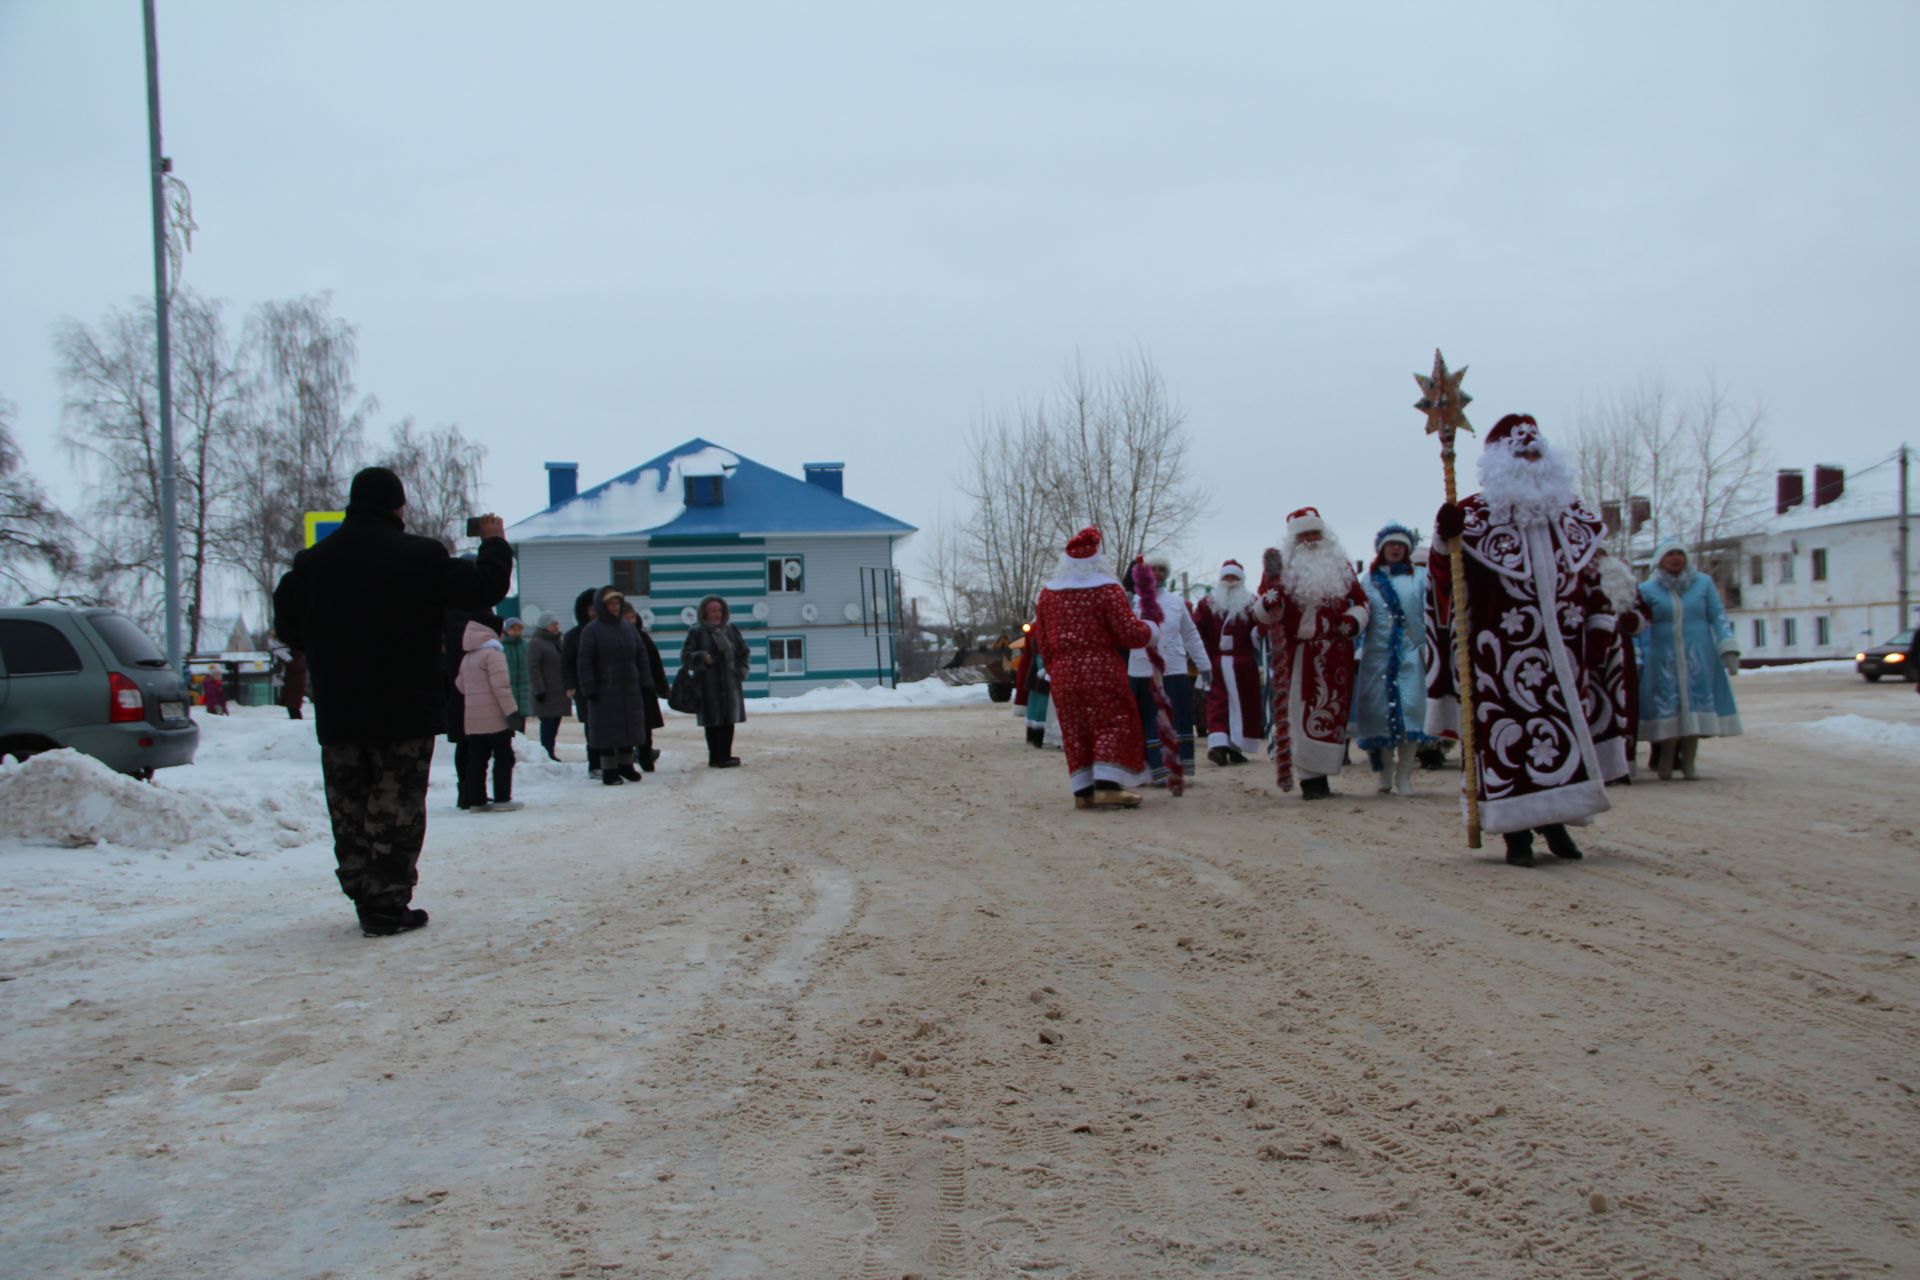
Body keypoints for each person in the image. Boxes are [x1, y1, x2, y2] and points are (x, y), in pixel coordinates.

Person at [272, 465, 511, 936]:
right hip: (405, 707)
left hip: (341, 709)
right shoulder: (419, 556)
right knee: (395, 804)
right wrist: (494, 542)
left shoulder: (312, 563)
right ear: (398, 507)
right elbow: (485, 590)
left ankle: (363, 889)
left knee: (350, 804)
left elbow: (288, 628)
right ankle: (385, 901)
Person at [1427, 414, 1622, 867]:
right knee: (1508, 741)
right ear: (1501, 463)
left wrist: (1598, 629)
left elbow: (1593, 581)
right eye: (1522, 454)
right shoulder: (1474, 515)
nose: (1531, 462)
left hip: (1564, 655)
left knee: (1560, 740)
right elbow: (1445, 582)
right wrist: (1443, 539)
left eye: (1537, 453)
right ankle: (1515, 833)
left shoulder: (1572, 516)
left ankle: (1555, 823)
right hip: (1501, 656)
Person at [1030, 527, 1158, 809]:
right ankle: (1108, 785)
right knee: (1113, 721)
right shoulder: (1107, 589)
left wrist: (1053, 667)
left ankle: (1083, 791)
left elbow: (1043, 639)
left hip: (1063, 672)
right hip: (1101, 668)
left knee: (1075, 729)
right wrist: (1151, 631)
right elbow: (1127, 633)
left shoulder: (1049, 595)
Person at [1249, 507, 1369, 799]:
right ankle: (1310, 781)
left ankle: (1322, 775)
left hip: (1335, 652)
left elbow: (1361, 602)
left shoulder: (1341, 566)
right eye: (1304, 535)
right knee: (1300, 715)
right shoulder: (1279, 569)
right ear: (1294, 539)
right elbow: (1261, 612)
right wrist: (1269, 603)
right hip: (1298, 654)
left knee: (1332, 716)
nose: (1311, 539)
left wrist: (1353, 620)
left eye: (1315, 532)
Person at [1637, 539, 1741, 780]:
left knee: (1695, 706)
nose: (1676, 558)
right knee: (1668, 706)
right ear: (1659, 560)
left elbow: (1717, 616)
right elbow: (1639, 624)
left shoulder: (1703, 583)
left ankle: (1689, 763)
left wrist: (1728, 647)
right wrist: (1636, 653)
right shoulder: (1647, 589)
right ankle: (1665, 761)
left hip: (1698, 655)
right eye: (1670, 554)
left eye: (1679, 554)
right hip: (1662, 657)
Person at [1353, 524, 1434, 796]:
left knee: (1410, 711)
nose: (1396, 549)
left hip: (1411, 655)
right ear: (1382, 549)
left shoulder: (1420, 577)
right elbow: (1362, 613)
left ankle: (1405, 775)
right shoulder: (1369, 580)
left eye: (1400, 545)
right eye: (1391, 545)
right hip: (1376, 658)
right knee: (1380, 716)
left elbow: (1431, 612)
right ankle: (1386, 772)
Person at [1127, 557, 1204, 785]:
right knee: (1147, 719)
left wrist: (1204, 664)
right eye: (1154, 569)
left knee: (1173, 718)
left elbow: (1190, 634)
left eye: (1162, 569)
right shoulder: (1133, 601)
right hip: (1141, 668)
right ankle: (1150, 768)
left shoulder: (1176, 602)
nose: (1158, 573)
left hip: (1173, 667)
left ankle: (1174, 767)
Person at [1191, 559, 1264, 767]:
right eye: (1227, 577)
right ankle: (1218, 745)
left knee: (1243, 704)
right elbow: (1196, 630)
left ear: (1241, 580)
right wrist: (1200, 656)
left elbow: (1261, 628)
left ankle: (1234, 746)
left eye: (1234, 578)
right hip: (1217, 661)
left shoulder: (1252, 603)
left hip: (1244, 663)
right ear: (1221, 579)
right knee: (1217, 702)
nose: (1230, 581)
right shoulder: (1207, 604)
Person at [576, 587, 649, 785]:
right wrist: (589, 687)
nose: (615, 607)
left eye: (617, 603)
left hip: (629, 688)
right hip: (604, 690)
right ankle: (609, 770)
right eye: (611, 604)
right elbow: (584, 662)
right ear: (602, 605)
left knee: (628, 727)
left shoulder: (628, 627)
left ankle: (626, 766)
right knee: (606, 730)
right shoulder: (591, 630)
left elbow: (641, 654)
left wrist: (644, 679)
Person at [454, 616, 522, 812]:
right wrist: (512, 712)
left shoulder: (468, 657)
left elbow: (460, 686)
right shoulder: (493, 654)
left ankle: (476, 801)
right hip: (495, 719)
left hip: (473, 720)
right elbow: (501, 687)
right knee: (503, 757)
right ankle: (502, 798)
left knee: (476, 760)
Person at [1590, 547, 1646, 783]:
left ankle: (1620, 763)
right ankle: (1594, 765)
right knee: (1593, 702)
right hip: (1588, 647)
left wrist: (1632, 620)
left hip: (1621, 649)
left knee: (1623, 701)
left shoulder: (1620, 573)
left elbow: (1642, 612)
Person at [682, 595, 750, 767]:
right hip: (707, 686)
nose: (717, 614)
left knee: (728, 721)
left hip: (730, 684)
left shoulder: (730, 630)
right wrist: (702, 658)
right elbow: (685, 658)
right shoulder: (696, 631)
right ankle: (715, 757)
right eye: (712, 611)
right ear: (704, 612)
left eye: (719, 610)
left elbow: (743, 652)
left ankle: (726, 755)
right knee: (713, 723)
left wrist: (740, 671)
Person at [619, 601, 669, 770]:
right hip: (624, 689)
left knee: (645, 727)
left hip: (644, 688)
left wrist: (662, 686)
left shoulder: (643, 637)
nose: (631, 621)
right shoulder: (615, 638)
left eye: (633, 617)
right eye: (627, 618)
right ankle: (626, 759)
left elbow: (655, 663)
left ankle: (645, 756)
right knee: (625, 727)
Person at [561, 587, 602, 779]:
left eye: (596, 608)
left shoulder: (610, 630)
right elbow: (567, 663)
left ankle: (615, 760)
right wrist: (569, 684)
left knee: (612, 724)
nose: (593, 612)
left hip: (609, 685)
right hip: (584, 687)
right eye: (590, 608)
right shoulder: (573, 636)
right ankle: (595, 764)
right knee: (591, 725)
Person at [527, 613, 568, 761]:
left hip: (558, 693)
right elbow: (533, 668)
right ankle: (546, 753)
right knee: (548, 724)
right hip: (545, 693)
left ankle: (550, 751)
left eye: (557, 624)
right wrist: (539, 689)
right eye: (553, 624)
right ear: (544, 626)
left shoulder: (557, 642)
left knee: (555, 723)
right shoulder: (536, 643)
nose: (556, 627)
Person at [500, 617, 531, 736]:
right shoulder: (502, 646)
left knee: (521, 724)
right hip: (509, 689)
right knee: (508, 724)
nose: (517, 631)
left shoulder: (525, 645)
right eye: (513, 629)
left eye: (519, 629)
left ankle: (521, 744)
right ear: (507, 630)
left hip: (523, 689)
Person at [279, 647, 308, 720]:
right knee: (291, 706)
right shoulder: (298, 657)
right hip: (292, 685)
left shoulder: (300, 657)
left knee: (293, 706)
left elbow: (297, 667)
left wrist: (288, 660)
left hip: (296, 687)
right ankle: (295, 720)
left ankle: (296, 720)